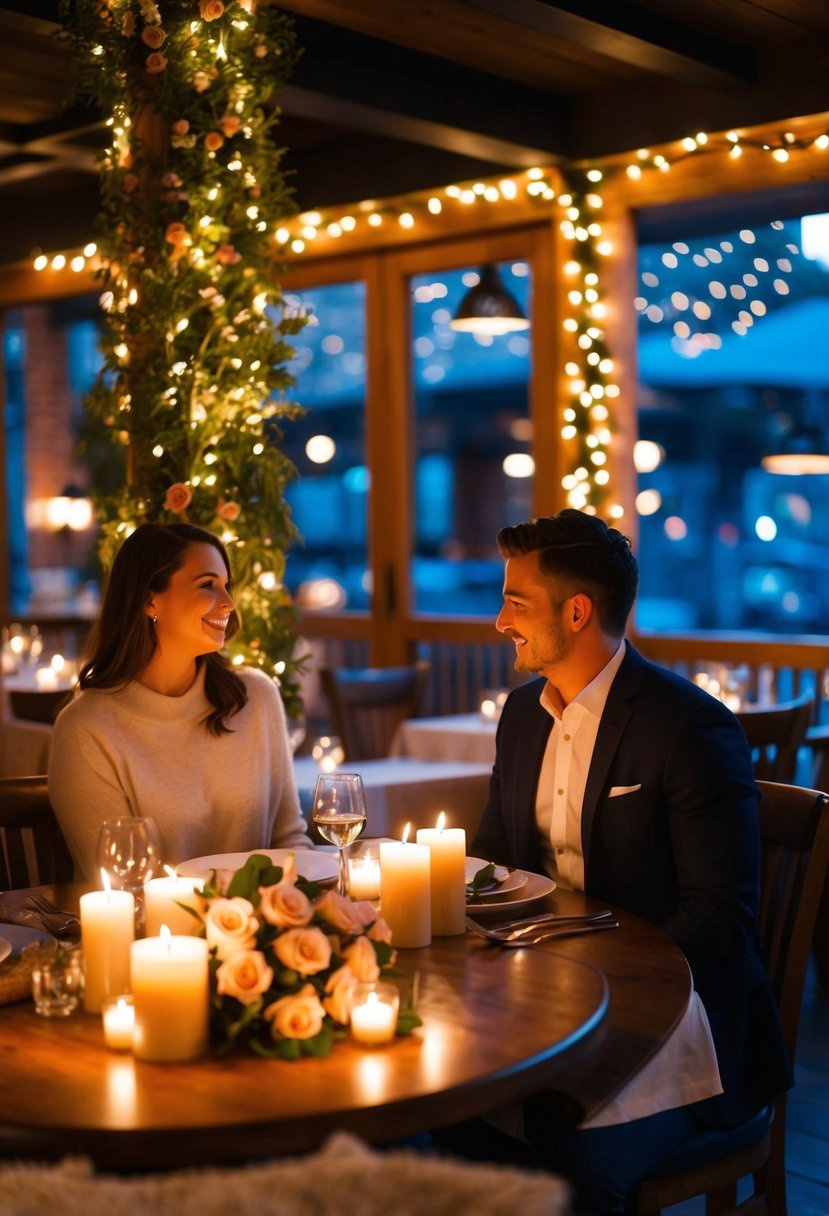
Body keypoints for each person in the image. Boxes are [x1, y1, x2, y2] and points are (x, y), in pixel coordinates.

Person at [457, 509, 790, 1214]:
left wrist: (581, 981)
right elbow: (491, 860)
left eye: (515, 602)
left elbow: (719, 918)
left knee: (566, 1171)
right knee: (438, 1124)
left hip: (681, 1027)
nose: (498, 621)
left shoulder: (688, 726)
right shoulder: (521, 715)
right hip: (541, 1010)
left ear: (575, 612)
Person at [49, 522, 311, 880]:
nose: (229, 603)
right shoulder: (85, 729)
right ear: (149, 600)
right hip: (150, 933)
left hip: (263, 928)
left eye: (226, 585)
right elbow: (122, 883)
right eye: (207, 585)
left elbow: (290, 839)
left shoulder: (257, 698)